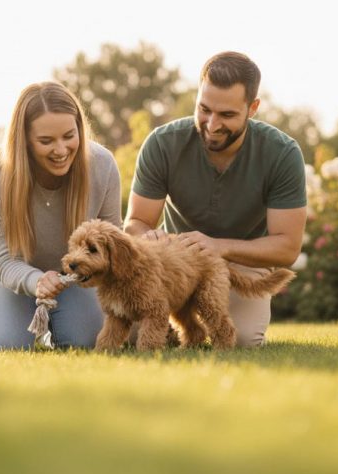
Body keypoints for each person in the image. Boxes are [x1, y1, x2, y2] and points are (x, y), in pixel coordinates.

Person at [124, 51, 307, 347]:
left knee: (243, 339)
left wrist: (218, 247)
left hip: (243, 262)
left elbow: (287, 247)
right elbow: (135, 222)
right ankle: (174, 326)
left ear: (253, 108)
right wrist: (151, 238)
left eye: (227, 115)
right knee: (134, 334)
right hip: (176, 264)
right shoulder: (162, 143)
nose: (211, 124)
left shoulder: (281, 153)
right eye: (204, 109)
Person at [0, 81, 121, 350]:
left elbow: (113, 243)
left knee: (85, 343)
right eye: (46, 141)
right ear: (24, 139)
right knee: (3, 345)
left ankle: (49, 330)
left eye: (69, 136)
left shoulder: (102, 164)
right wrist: (36, 280)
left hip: (73, 277)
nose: (61, 150)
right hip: (3, 273)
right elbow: (2, 260)